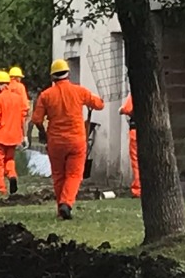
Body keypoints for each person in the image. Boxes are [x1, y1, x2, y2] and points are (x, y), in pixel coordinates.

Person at [31, 59, 104, 219]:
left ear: (52, 77)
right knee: (74, 175)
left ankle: (60, 209)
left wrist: (42, 131)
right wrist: (98, 100)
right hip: (77, 140)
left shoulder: (46, 95)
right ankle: (66, 203)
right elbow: (99, 104)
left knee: (58, 175)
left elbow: (36, 120)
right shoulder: (79, 91)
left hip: (55, 141)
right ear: (68, 74)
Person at [0, 70, 26, 196]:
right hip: (14, 136)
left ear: (3, 84)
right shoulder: (18, 99)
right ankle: (12, 176)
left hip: (0, 136)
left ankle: (2, 190)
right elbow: (22, 118)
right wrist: (24, 135)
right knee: (10, 159)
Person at [119, 93, 141, 198]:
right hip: (150, 134)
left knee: (136, 161)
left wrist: (121, 109)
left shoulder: (135, 92)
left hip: (136, 131)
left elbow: (127, 109)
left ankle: (138, 190)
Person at [8, 65, 31, 143]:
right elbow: (25, 106)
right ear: (16, 77)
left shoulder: (6, 86)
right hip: (18, 118)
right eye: (20, 77)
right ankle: (24, 138)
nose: (20, 79)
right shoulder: (20, 87)